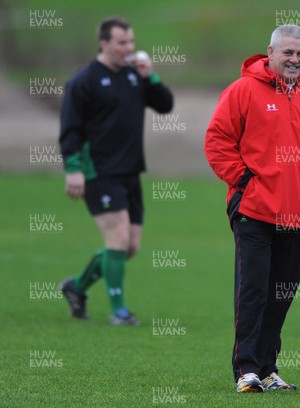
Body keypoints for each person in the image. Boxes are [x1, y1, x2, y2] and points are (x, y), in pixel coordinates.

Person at [204, 24, 300, 392]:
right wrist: (246, 183)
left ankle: (267, 369)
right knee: (254, 292)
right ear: (271, 52)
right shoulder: (243, 90)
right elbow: (217, 141)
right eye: (288, 53)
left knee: (282, 295)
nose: (295, 60)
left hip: (299, 215)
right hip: (254, 211)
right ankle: (246, 369)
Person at [58, 16, 174, 325]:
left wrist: (151, 77)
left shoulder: (134, 76)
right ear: (104, 43)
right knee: (118, 239)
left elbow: (165, 105)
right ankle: (119, 312)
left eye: (131, 42)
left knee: (129, 247)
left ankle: (77, 287)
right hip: (98, 171)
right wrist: (73, 169)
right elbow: (70, 129)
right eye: (122, 43)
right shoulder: (83, 81)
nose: (129, 49)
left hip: (130, 171)